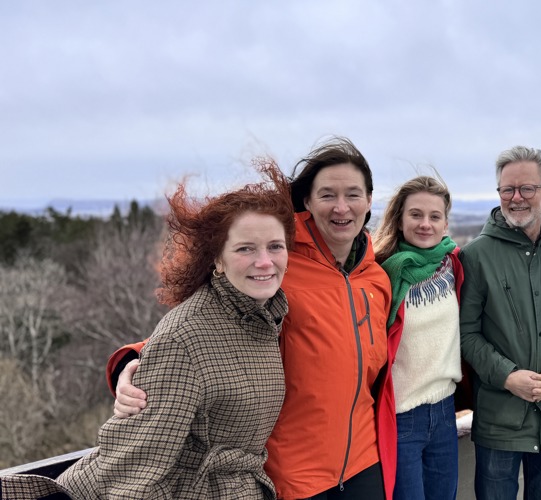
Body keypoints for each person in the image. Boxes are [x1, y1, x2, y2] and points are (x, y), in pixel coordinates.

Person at [107, 137, 396, 499]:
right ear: (306, 201)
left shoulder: (376, 278)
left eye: (353, 194)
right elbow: (208, 323)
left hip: (365, 465)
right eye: (327, 195)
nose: (341, 207)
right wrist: (132, 361)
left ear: (369, 201)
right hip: (292, 474)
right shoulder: (275, 265)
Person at [0, 160, 294, 499]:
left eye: (275, 246)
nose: (264, 261)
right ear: (217, 260)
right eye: (245, 248)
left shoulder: (263, 315)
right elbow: (133, 472)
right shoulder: (186, 337)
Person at [458, 145, 541, 499]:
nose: (516, 198)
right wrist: (507, 376)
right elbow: (466, 333)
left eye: (526, 189)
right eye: (507, 189)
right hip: (499, 421)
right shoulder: (476, 255)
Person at [372, 175, 464, 500]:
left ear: (445, 222)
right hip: (401, 417)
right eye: (416, 215)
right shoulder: (380, 273)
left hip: (445, 411)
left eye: (434, 216)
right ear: (399, 219)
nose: (425, 224)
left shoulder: (453, 263)